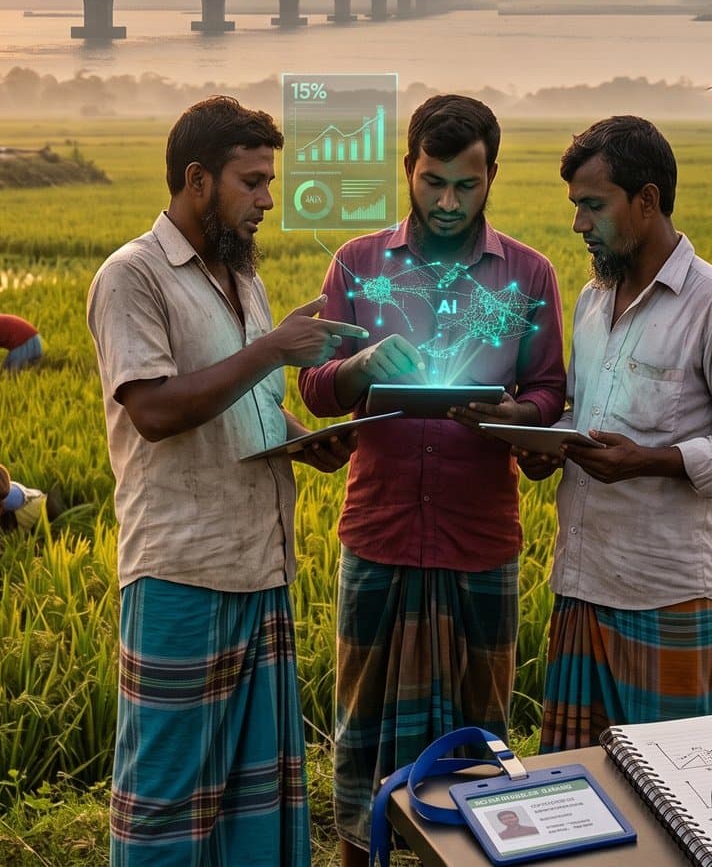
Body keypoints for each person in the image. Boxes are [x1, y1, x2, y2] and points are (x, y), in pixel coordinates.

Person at [88, 95, 365, 866]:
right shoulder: (133, 276)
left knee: (256, 798)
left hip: (261, 568)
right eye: (251, 181)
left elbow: (249, 407)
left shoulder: (243, 280)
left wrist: (304, 439)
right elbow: (154, 409)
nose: (267, 200)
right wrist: (274, 349)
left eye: (270, 181)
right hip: (183, 571)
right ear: (198, 180)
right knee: (168, 803)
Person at [296, 95, 568, 864]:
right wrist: (358, 366)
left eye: (467, 185)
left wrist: (514, 410)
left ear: (492, 177)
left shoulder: (528, 276)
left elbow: (551, 389)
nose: (448, 202)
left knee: (477, 738)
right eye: (433, 181)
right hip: (379, 534)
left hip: (479, 540)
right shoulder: (357, 264)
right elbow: (316, 388)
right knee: (363, 730)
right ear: (407, 170)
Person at [517, 116, 712, 751]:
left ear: (648, 201)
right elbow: (582, 417)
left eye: (594, 205)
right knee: (579, 787)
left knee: (673, 794)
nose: (580, 223)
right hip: (581, 581)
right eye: (576, 206)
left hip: (664, 593)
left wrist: (649, 462)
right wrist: (535, 441)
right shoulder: (590, 301)